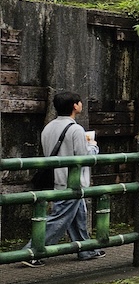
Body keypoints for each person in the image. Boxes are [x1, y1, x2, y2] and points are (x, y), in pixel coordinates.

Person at [23, 91, 104, 264]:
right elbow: (83, 157)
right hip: (72, 181)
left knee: (78, 216)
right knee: (58, 219)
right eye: (80, 102)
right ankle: (31, 252)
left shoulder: (49, 127)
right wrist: (93, 147)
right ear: (75, 106)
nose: (81, 104)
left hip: (56, 178)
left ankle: (86, 249)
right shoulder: (75, 129)